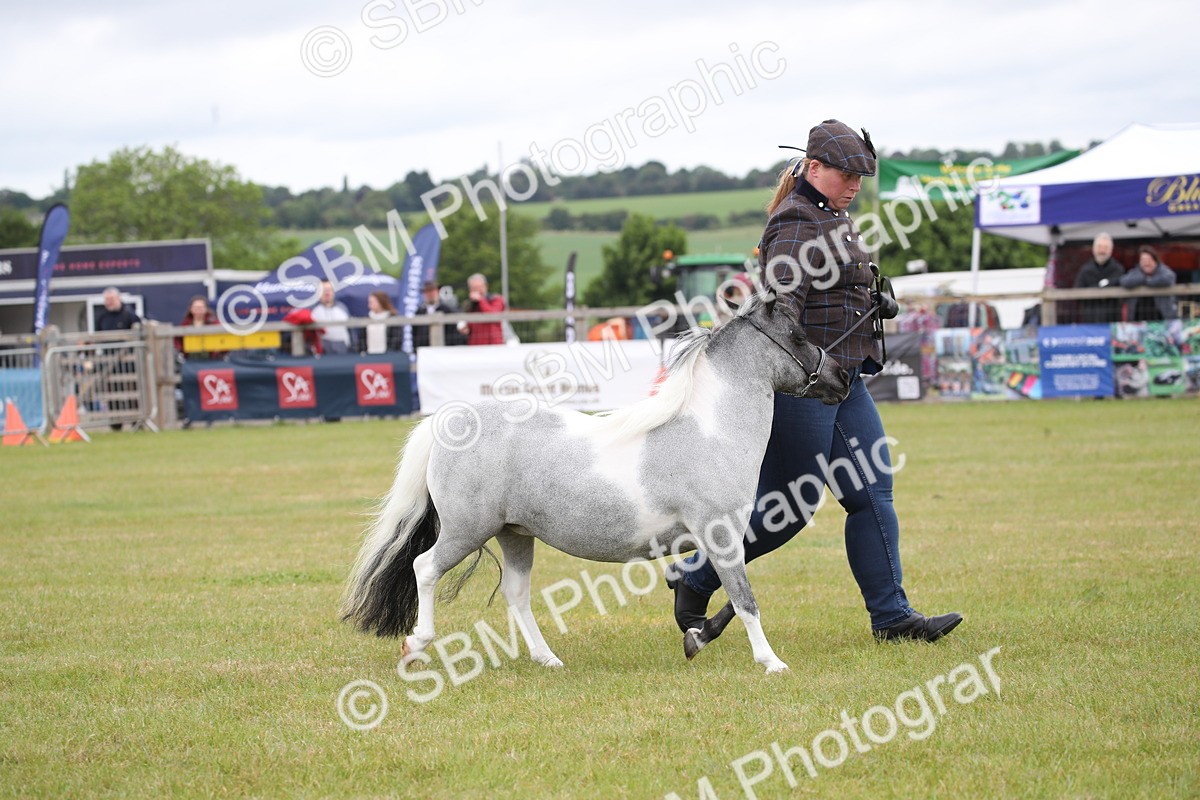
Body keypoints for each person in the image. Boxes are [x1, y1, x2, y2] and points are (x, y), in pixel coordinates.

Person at [666, 119, 962, 643]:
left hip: (845, 380)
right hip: (804, 386)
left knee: (872, 494)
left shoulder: (830, 215)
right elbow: (782, 317)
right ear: (815, 168)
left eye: (861, 177)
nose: (855, 186)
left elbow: (835, 285)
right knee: (789, 509)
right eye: (846, 174)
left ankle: (892, 620)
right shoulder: (796, 223)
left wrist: (874, 299)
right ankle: (696, 574)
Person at [1074, 233, 1124, 323]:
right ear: (1094, 249)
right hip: (1090, 321)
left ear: (1111, 250)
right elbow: (1077, 293)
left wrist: (1094, 288)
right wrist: (1104, 285)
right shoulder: (1085, 270)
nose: (1102, 251)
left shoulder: (1117, 269)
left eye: (1105, 247)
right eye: (1099, 247)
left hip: (1112, 320)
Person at [1120, 245, 1177, 321]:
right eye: (1143, 260)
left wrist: (1148, 281)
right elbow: (1124, 281)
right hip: (1137, 319)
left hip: (1162, 318)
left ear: (1155, 261)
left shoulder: (1163, 271)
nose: (1146, 263)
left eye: (1149, 260)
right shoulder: (1136, 272)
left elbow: (1169, 278)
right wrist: (1144, 279)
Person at [413, 281, 463, 349]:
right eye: (427, 291)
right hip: (424, 350)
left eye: (432, 291)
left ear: (437, 291)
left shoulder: (447, 310)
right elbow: (415, 333)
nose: (430, 294)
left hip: (443, 349)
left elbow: (452, 332)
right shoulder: (419, 312)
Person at [460, 273, 507, 345]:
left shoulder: (496, 299)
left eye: (479, 287)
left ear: (486, 286)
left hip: (494, 345)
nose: (477, 291)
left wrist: (481, 300)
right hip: (475, 346)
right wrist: (465, 328)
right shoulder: (470, 305)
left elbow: (493, 315)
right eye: (474, 288)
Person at [310, 280, 352, 354]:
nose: (327, 293)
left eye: (329, 290)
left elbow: (351, 330)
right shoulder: (312, 311)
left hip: (342, 347)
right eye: (323, 290)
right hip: (321, 349)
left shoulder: (343, 308)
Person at [174, 295, 222, 359]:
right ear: (191, 309)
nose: (198, 310)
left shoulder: (214, 322)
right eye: (196, 307)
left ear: (206, 308)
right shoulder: (186, 323)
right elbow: (178, 340)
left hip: (211, 358)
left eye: (201, 307)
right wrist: (182, 350)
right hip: (191, 358)